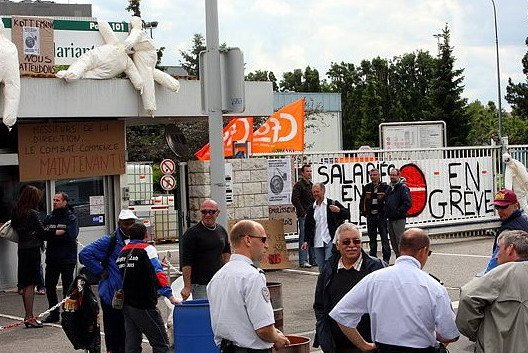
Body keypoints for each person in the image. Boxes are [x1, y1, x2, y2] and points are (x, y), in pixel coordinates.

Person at [329, 228, 459, 353]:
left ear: (400, 249)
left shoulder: (374, 279)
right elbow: (451, 334)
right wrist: (433, 334)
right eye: (428, 253)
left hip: (383, 348)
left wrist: (364, 346)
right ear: (423, 251)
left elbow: (341, 314)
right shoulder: (434, 287)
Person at [207, 220, 290, 352]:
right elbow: (263, 328)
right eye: (263, 240)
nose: (267, 245)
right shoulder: (252, 277)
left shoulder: (218, 277)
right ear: (248, 240)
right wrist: (277, 338)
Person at [313, 223, 385, 353]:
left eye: (356, 241)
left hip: (369, 346)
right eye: (346, 242)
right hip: (336, 346)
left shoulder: (376, 268)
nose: (352, 245)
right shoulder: (329, 269)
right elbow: (319, 306)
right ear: (337, 245)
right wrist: (324, 336)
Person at [456, 230, 528, 353]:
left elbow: (467, 296)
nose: (496, 255)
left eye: (499, 248)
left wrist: (476, 333)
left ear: (510, 249)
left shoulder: (501, 273)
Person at [79, 209, 139, 353]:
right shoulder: (109, 241)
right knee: (113, 332)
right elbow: (84, 254)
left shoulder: (138, 238)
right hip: (112, 294)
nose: (129, 226)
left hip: (131, 295)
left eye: (132, 223)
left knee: (130, 333)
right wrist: (100, 271)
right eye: (126, 223)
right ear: (119, 223)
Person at [117, 222, 180, 353]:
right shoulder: (147, 249)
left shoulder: (122, 252)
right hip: (144, 303)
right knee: (161, 343)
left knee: (132, 344)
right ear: (145, 234)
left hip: (126, 304)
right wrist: (170, 296)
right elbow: (158, 273)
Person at [10, 185, 55, 328]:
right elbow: (42, 233)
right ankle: (29, 316)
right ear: (32, 198)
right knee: (30, 283)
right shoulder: (33, 213)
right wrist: (54, 232)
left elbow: (18, 229)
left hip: (22, 248)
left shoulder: (16, 212)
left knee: (24, 282)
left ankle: (27, 315)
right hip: (32, 249)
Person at [180, 199, 230, 300]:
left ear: (217, 213)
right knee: (204, 313)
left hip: (218, 282)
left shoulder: (221, 230)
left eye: (211, 212)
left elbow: (226, 251)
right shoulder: (191, 234)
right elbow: (186, 262)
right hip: (200, 285)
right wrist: (187, 286)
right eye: (204, 212)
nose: (207, 215)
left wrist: (226, 272)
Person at [41, 192, 79, 323]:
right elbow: (42, 234)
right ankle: (54, 313)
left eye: (58, 200)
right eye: (54, 200)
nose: (55, 202)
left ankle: (67, 314)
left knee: (67, 287)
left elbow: (70, 236)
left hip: (67, 258)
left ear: (65, 202)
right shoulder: (50, 217)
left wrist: (53, 234)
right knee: (49, 286)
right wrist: (55, 233)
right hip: (52, 257)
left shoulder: (71, 218)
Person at [303, 183, 350, 269]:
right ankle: (324, 282)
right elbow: (308, 226)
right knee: (321, 267)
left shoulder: (332, 203)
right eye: (313, 192)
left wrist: (338, 210)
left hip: (330, 240)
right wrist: (306, 240)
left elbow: (347, 214)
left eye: (317, 191)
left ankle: (330, 281)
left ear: (323, 191)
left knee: (329, 264)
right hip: (317, 241)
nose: (315, 194)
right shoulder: (311, 208)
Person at [483, 188, 528, 273]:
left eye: (504, 207)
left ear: (515, 206)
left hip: (508, 274)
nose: (499, 211)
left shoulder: (506, 232)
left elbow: (495, 262)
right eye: (497, 207)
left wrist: (485, 277)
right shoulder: (524, 219)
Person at [359, 169, 391, 262]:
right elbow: (362, 201)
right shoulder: (367, 187)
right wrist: (364, 212)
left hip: (381, 216)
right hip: (371, 216)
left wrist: (385, 213)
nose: (373, 176)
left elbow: (388, 202)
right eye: (371, 175)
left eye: (375, 175)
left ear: (379, 175)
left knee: (384, 237)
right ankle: (372, 258)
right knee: (372, 238)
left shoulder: (385, 187)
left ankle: (386, 259)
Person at [291, 164, 316, 268]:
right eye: (307, 171)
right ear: (302, 173)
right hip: (304, 215)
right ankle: (303, 260)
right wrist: (303, 212)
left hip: (312, 215)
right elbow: (295, 199)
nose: (309, 173)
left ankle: (313, 259)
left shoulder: (311, 185)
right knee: (303, 237)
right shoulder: (299, 185)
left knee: (312, 236)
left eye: (310, 171)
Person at [384, 168, 411, 258]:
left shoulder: (403, 188)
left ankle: (403, 258)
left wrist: (398, 212)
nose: (392, 177)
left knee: (400, 240)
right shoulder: (389, 188)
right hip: (390, 218)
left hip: (399, 218)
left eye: (394, 175)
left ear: (398, 176)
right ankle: (398, 257)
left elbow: (407, 203)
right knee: (393, 241)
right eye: (391, 175)